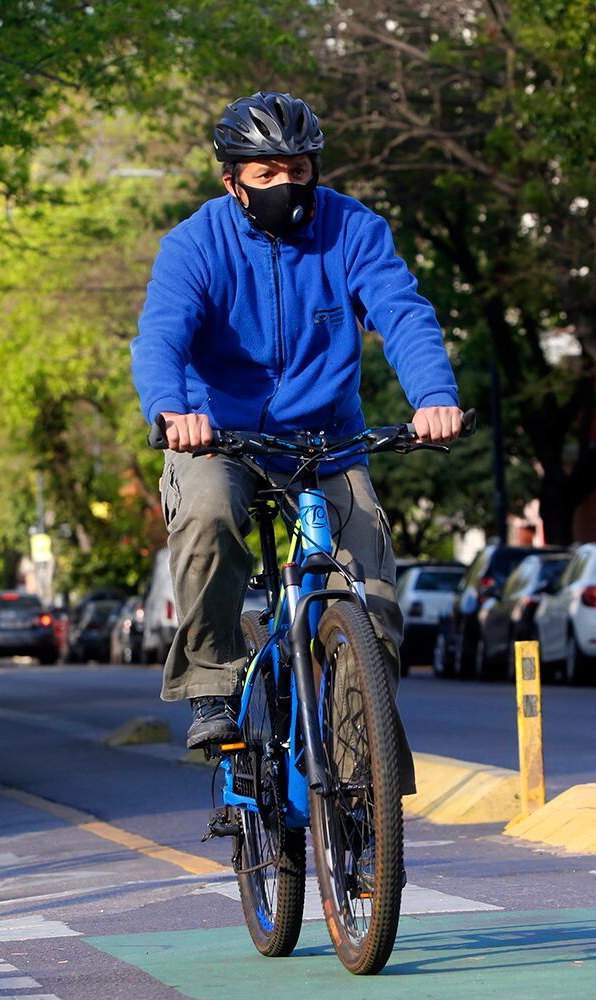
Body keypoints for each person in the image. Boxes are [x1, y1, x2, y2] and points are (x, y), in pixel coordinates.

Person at [129, 91, 464, 774]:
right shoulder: (195, 244)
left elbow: (402, 313)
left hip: (327, 441)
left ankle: (352, 776)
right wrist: (172, 412)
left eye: (299, 170)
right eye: (266, 174)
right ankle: (211, 686)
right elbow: (160, 336)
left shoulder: (354, 231)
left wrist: (434, 396)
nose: (287, 185)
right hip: (218, 436)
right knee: (210, 513)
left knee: (370, 600)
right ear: (232, 182)